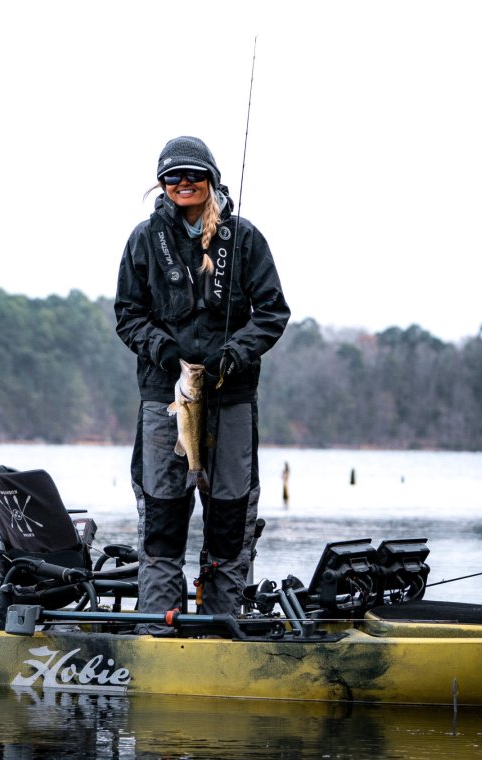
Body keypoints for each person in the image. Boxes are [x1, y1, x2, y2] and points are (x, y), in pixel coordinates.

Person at [115, 135, 290, 626]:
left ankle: (222, 624)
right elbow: (127, 316)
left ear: (211, 179)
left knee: (231, 517)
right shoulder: (143, 240)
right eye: (174, 176)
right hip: (164, 399)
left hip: (231, 395)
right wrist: (163, 350)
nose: (184, 183)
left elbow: (273, 313)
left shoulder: (245, 238)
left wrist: (234, 354)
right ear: (162, 184)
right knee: (162, 517)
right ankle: (158, 625)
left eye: (194, 174)